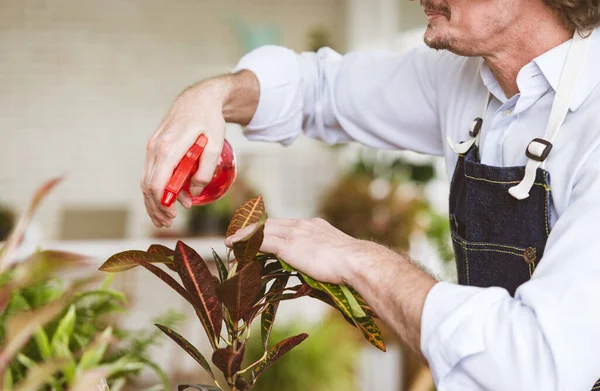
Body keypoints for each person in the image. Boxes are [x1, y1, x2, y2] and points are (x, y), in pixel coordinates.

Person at [141, 1, 600, 389]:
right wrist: (211, 96)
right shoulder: (459, 78)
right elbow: (318, 89)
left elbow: (537, 362)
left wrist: (362, 260)